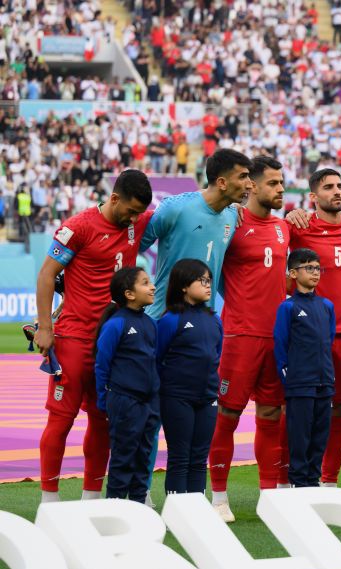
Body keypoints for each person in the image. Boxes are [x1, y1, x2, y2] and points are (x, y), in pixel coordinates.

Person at [34, 169, 153, 503]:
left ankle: (91, 499)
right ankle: (49, 500)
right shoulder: (78, 227)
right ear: (113, 198)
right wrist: (46, 327)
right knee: (61, 419)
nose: (133, 218)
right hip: (74, 339)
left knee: (103, 421)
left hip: (115, 345)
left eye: (138, 214)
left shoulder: (136, 223)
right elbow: (46, 276)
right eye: (130, 210)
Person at [207, 155, 290, 522]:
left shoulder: (285, 227)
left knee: (271, 414)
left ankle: (269, 495)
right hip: (240, 335)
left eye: (282, 183)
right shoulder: (232, 223)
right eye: (273, 183)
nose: (280, 189)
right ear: (252, 185)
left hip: (276, 336)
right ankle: (219, 497)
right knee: (227, 414)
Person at [288, 168, 341, 488]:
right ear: (313, 197)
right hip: (306, 334)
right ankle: (286, 481)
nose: (337, 191)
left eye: (340, 186)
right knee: (296, 409)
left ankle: (328, 481)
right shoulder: (299, 227)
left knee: (338, 408)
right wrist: (293, 215)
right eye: (328, 187)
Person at [140, 148, 253, 318]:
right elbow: (135, 246)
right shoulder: (175, 208)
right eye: (243, 176)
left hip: (203, 322)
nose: (250, 184)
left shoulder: (232, 216)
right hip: (162, 318)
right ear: (222, 183)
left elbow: (219, 267)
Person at [156, 259, 222, 495]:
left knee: (199, 457)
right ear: (184, 285)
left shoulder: (214, 319)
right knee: (180, 455)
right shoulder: (170, 320)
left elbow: (215, 355)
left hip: (207, 397)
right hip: (177, 398)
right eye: (201, 280)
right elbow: (157, 358)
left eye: (209, 281)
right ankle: (177, 509)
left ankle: (196, 510)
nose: (208, 286)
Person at [94, 267, 159, 503]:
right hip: (124, 401)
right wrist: (104, 400)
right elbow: (102, 364)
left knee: (144, 457)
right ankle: (115, 509)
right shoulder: (115, 325)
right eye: (145, 283)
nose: (152, 286)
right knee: (123, 457)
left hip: (148, 402)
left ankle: (139, 507)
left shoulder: (151, 324)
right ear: (129, 294)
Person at [274, 249, 336, 488]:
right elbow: (281, 345)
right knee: (300, 438)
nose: (315, 272)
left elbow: (327, 340)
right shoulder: (287, 308)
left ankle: (313, 482)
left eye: (318, 268)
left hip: (324, 382)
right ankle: (299, 485)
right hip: (300, 383)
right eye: (308, 268)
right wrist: (290, 377)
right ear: (293, 273)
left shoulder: (326, 306)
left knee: (320, 437)